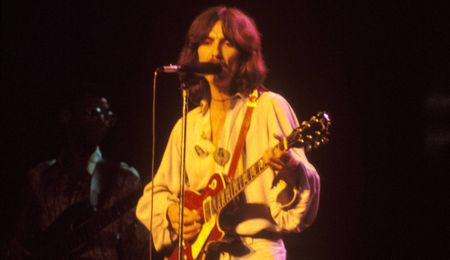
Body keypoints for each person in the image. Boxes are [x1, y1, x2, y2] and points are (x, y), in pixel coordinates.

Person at [136, 6, 320, 259]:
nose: (216, 53)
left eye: (227, 43)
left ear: (244, 55)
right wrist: (172, 213)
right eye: (207, 42)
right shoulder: (187, 126)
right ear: (195, 53)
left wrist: (291, 171)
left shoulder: (269, 107)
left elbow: (305, 191)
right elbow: (154, 194)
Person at [5, 85, 148, 259]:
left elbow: (137, 251)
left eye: (107, 116)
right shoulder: (39, 177)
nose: (101, 121)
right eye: (92, 113)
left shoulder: (125, 179)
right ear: (67, 116)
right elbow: (18, 243)